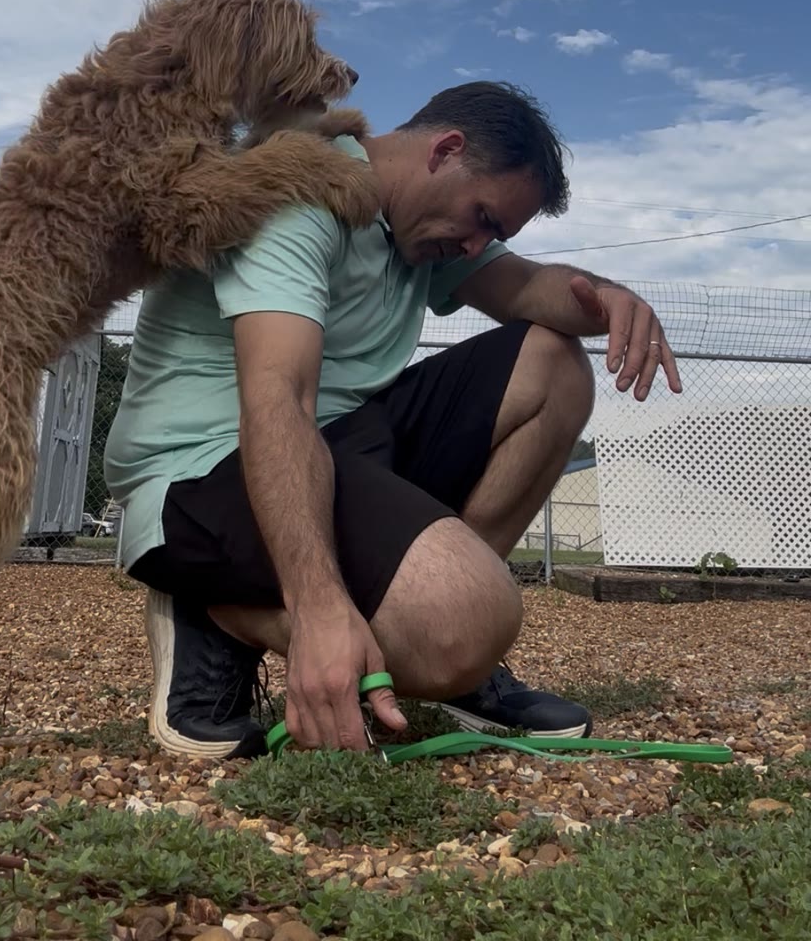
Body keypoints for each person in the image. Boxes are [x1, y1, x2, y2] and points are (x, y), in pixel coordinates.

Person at [105, 82, 681, 758]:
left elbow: (526, 287)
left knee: (553, 363)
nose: (477, 247)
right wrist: (318, 611)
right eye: (484, 219)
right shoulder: (303, 190)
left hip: (338, 447)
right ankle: (221, 612)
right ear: (445, 151)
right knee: (468, 618)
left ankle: (443, 650)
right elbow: (280, 399)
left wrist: (610, 299)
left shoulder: (416, 232)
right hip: (203, 472)